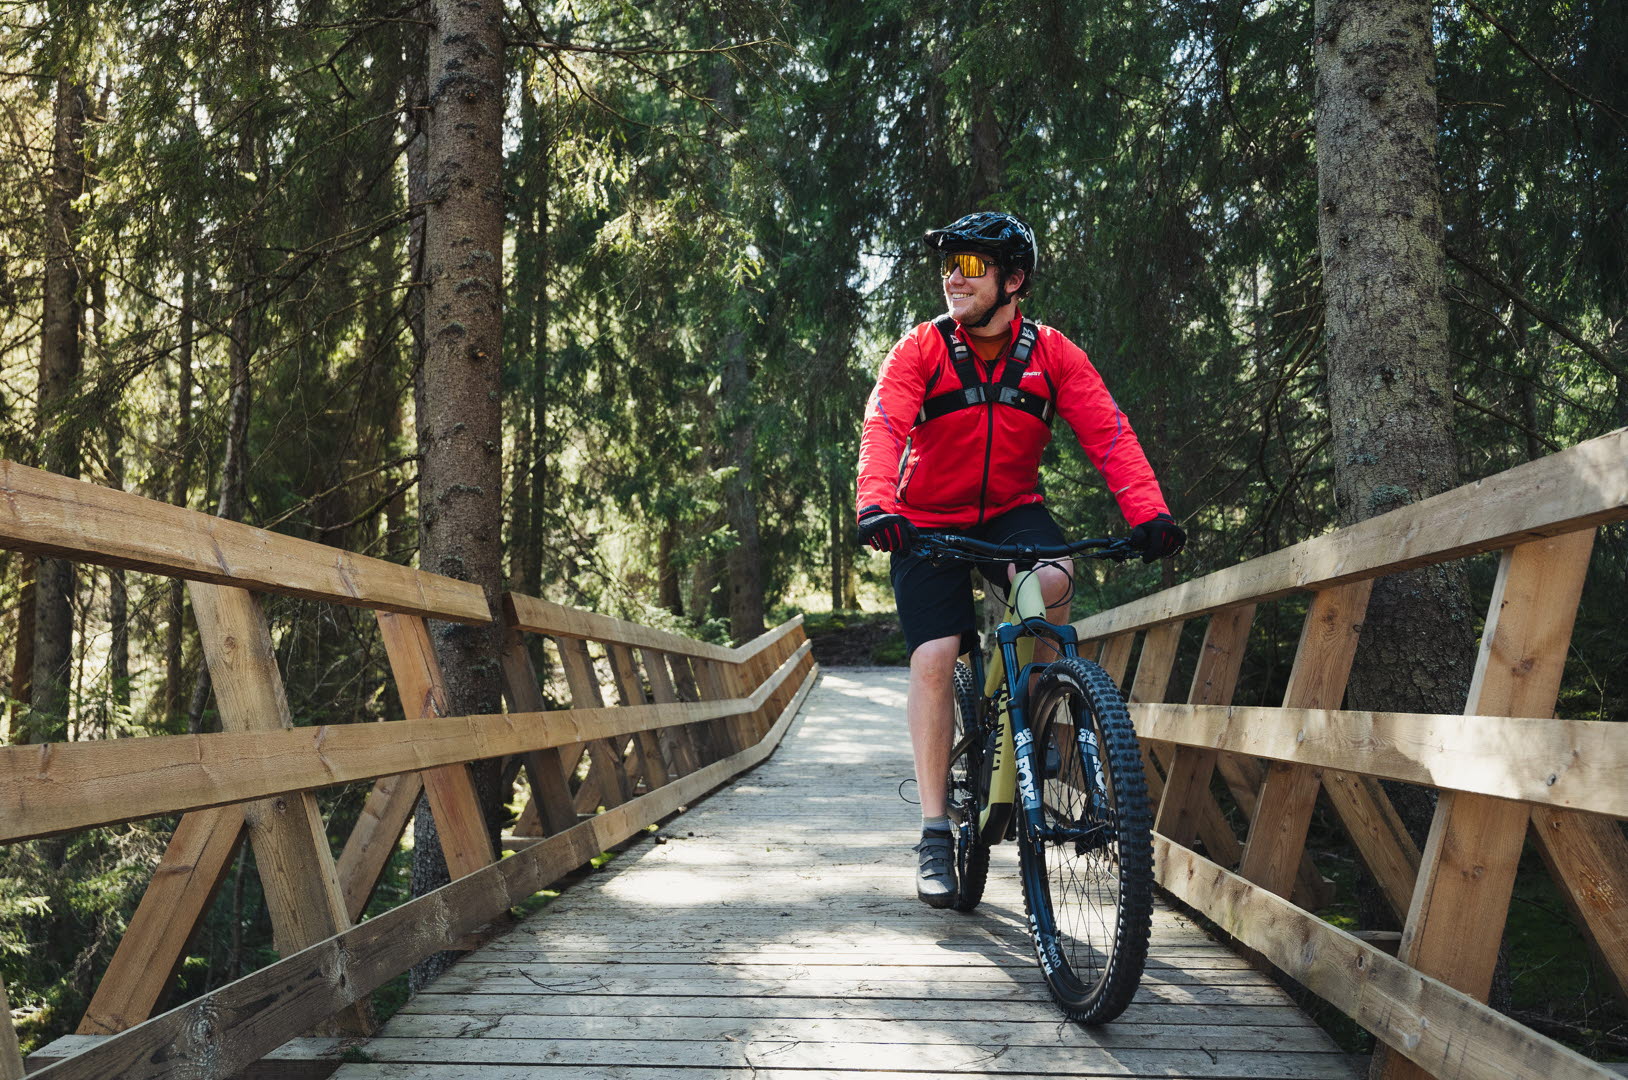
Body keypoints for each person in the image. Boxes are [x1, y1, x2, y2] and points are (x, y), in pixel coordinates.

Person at [854, 211, 1185, 907]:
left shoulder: (1053, 353)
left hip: (1010, 509)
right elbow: (885, 422)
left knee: (1056, 577)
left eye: (970, 266)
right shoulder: (921, 349)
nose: (953, 276)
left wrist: (1149, 515)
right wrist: (876, 505)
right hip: (925, 521)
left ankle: (1039, 707)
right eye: (947, 264)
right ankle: (936, 831)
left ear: (1013, 280)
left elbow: (1110, 434)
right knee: (937, 655)